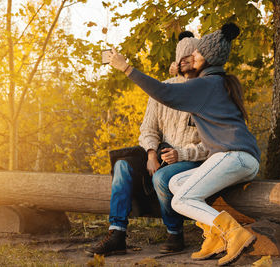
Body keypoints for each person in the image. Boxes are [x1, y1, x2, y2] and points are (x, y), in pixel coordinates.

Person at [108, 23, 261, 266]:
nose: (193, 56)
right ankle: (215, 236)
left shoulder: (205, 85)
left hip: (233, 156)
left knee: (180, 201)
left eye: (197, 53)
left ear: (208, 58)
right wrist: (180, 72)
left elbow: (164, 92)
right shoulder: (218, 82)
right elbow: (174, 88)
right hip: (238, 158)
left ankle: (234, 233)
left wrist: (126, 68)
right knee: (176, 182)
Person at [85, 31, 208, 257]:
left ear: (200, 58)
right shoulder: (163, 87)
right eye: (182, 56)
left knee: (164, 176)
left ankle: (174, 232)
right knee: (122, 165)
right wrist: (151, 154)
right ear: (177, 60)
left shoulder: (207, 92)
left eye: (191, 56)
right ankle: (117, 234)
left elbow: (210, 146)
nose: (186, 61)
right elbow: (148, 129)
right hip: (161, 153)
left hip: (192, 159)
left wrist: (181, 154)